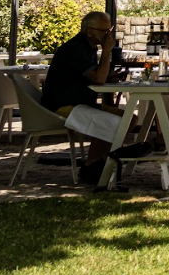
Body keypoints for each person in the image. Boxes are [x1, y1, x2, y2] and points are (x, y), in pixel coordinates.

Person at [41, 11, 123, 171]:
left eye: (110, 30)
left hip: (83, 102)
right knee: (109, 121)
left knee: (128, 119)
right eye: (104, 31)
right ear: (90, 31)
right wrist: (106, 52)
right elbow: (98, 79)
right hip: (63, 105)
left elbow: (96, 76)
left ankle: (100, 160)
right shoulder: (75, 48)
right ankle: (92, 166)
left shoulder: (89, 48)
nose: (108, 35)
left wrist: (109, 75)